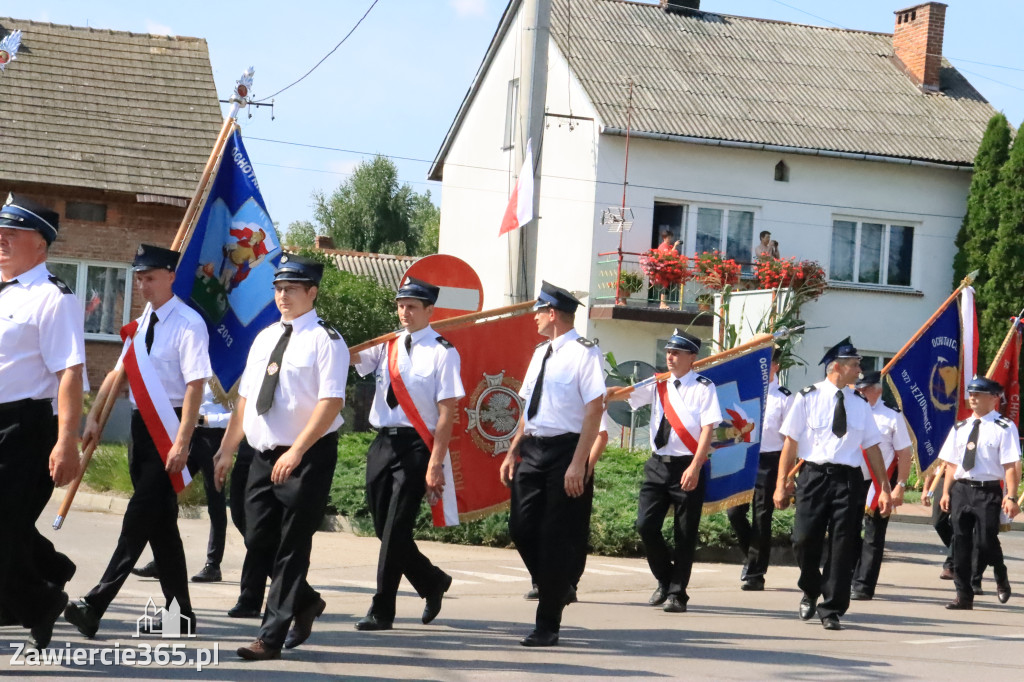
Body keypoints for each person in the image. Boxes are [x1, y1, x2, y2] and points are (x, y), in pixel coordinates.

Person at [66, 244, 211, 639]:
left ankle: (95, 604)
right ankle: (180, 617)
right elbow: (118, 373)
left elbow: (196, 384)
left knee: (137, 519)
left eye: (149, 278)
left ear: (170, 276)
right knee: (161, 527)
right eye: (139, 279)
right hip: (140, 432)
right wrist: (94, 415)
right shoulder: (142, 321)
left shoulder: (188, 323)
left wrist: (182, 442)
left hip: (173, 433)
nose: (143, 286)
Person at [212, 253, 349, 661]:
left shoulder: (327, 340)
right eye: (278, 288)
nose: (282, 295)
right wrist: (226, 449)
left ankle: (270, 637)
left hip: (306, 455)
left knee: (292, 545)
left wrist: (297, 451)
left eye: (291, 288)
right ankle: (303, 601)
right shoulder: (266, 337)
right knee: (256, 536)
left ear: (312, 292)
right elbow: (246, 399)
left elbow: (330, 403)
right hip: (261, 453)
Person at [351, 276, 463, 632]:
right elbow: (350, 358)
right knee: (386, 530)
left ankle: (382, 608)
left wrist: (435, 463)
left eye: (412, 306)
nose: (404, 312)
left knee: (398, 526)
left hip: (417, 446)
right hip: (383, 443)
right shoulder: (385, 345)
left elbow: (447, 413)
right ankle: (431, 581)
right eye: (400, 305)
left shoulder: (444, 351)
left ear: (429, 310)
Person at [0, 194, 85, 650]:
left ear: (41, 243)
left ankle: (40, 590)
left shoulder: (53, 297)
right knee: (7, 529)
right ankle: (43, 590)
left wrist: (66, 441)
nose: (2, 239)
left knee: (4, 527)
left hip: (23, 427)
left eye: (13, 233)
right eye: (0, 231)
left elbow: (70, 372)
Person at [500, 281, 604, 647]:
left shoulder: (584, 353)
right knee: (521, 527)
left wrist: (579, 464)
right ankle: (556, 586)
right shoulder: (540, 353)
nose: (535, 317)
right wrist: (514, 449)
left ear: (554, 314)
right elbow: (530, 410)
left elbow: (595, 409)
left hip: (566, 451)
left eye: (539, 311)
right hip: (534, 448)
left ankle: (548, 624)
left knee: (555, 538)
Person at [774, 337, 892, 631]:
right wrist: (781, 483)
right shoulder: (807, 397)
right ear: (836, 367)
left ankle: (832, 608)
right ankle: (810, 588)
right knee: (802, 539)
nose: (860, 370)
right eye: (855, 365)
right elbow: (790, 443)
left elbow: (873, 448)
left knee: (843, 545)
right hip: (814, 477)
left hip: (848, 480)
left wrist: (885, 488)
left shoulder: (860, 403)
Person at [616, 329, 721, 614]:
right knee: (645, 525)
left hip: (687, 465)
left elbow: (708, 430)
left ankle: (677, 593)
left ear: (692, 358)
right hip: (657, 465)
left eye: (676, 353)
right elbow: (625, 396)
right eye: (668, 352)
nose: (670, 357)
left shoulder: (703, 387)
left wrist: (696, 467)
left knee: (684, 533)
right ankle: (665, 578)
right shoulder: (656, 384)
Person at [130, 383, 230, 583]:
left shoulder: (229, 364)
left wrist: (202, 419)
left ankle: (213, 564)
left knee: (215, 500)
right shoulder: (193, 359)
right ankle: (162, 559)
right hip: (188, 436)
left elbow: (238, 412)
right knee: (166, 492)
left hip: (216, 437)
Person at [938, 376, 1020, 609]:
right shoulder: (960, 428)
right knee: (961, 544)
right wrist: (946, 492)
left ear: (994, 398)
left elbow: (1011, 465)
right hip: (962, 490)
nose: (972, 397)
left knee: (985, 542)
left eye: (978, 394)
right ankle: (963, 596)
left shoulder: (1004, 428)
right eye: (971, 393)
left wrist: (1011, 496)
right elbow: (952, 464)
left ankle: (1000, 572)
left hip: (988, 491)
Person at [524, 409, 615, 602]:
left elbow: (601, 435)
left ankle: (569, 582)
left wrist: (586, 468)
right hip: (543, 463)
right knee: (536, 522)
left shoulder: (587, 390)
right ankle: (540, 581)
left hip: (577, 466)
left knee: (572, 527)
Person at [727, 346, 792, 591]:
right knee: (734, 513)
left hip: (769, 460)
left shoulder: (784, 397)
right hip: (744, 457)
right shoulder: (746, 391)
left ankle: (755, 573)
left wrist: (786, 478)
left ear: (776, 366)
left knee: (762, 517)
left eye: (768, 363)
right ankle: (752, 558)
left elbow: (790, 439)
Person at [850, 371, 913, 600]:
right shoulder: (851, 411)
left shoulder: (891, 416)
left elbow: (904, 453)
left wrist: (901, 485)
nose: (860, 393)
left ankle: (863, 585)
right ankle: (849, 575)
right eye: (858, 389)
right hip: (852, 479)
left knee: (874, 535)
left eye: (864, 389)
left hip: (879, 483)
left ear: (877, 390)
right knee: (848, 531)